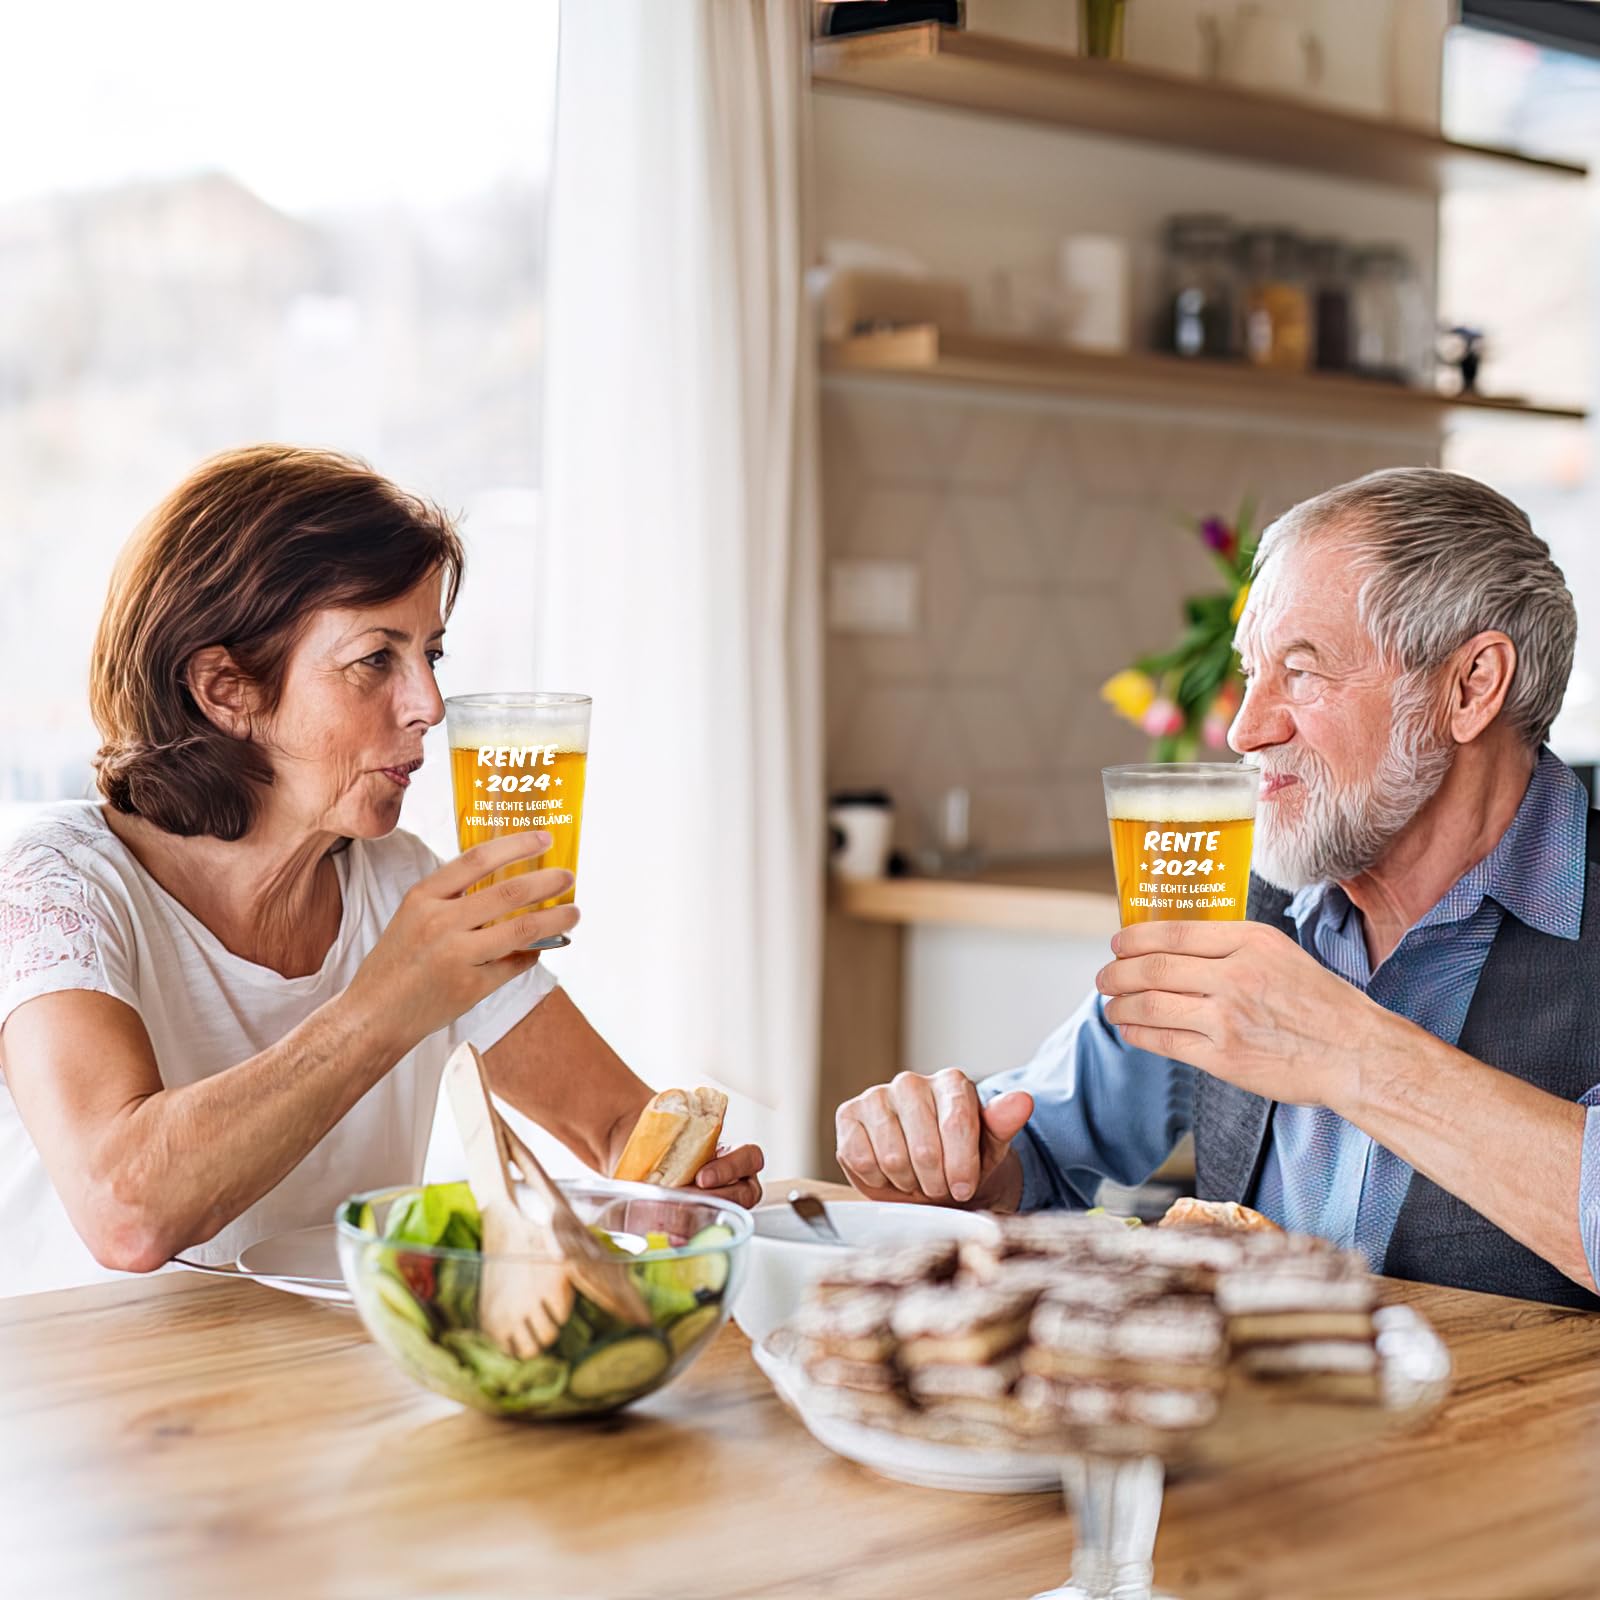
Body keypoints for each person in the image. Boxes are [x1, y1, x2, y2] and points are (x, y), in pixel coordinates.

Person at [0, 445, 763, 1297]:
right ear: (226, 688)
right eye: (376, 659)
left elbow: (620, 1125)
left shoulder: (398, 879)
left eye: (431, 655)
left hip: (335, 1390)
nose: (429, 706)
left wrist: (673, 1187)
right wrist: (389, 1004)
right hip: (90, 1406)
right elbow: (124, 1211)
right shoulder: (58, 883)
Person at [836, 467, 1600, 1307]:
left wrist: (1346, 1051)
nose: (1245, 728)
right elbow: (1039, 1147)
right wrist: (958, 1156)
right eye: (1252, 672)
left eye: (1302, 673)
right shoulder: (1246, 906)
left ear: (1471, 686)